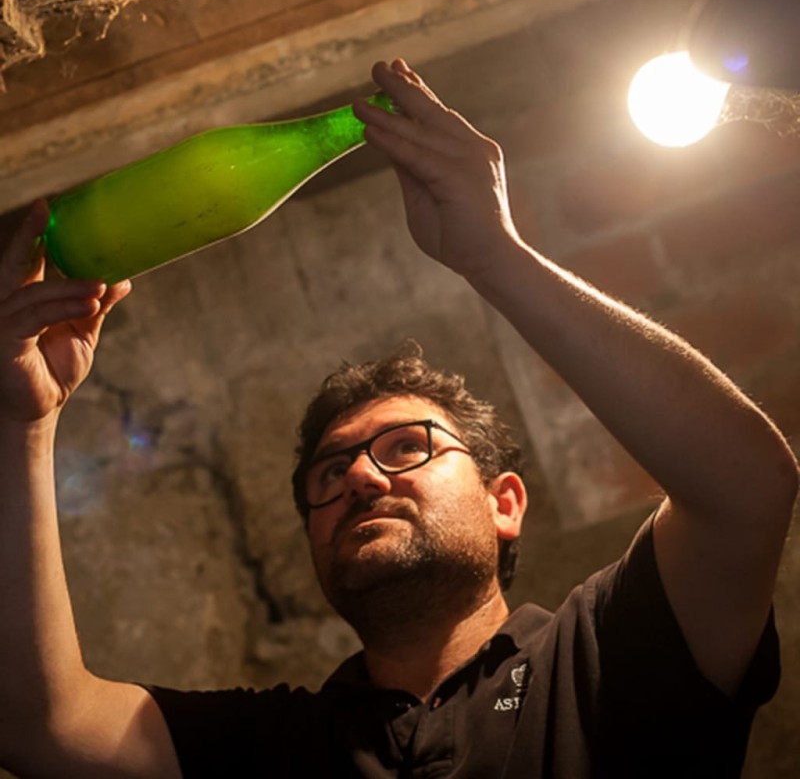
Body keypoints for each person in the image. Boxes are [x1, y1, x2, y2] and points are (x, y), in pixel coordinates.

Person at [0, 59, 796, 778]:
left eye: (406, 446)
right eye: (327, 472)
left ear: (505, 501)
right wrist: (23, 422)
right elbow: (42, 725)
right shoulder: (275, 746)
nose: (356, 473)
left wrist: (494, 253)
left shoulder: (606, 655)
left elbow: (748, 489)